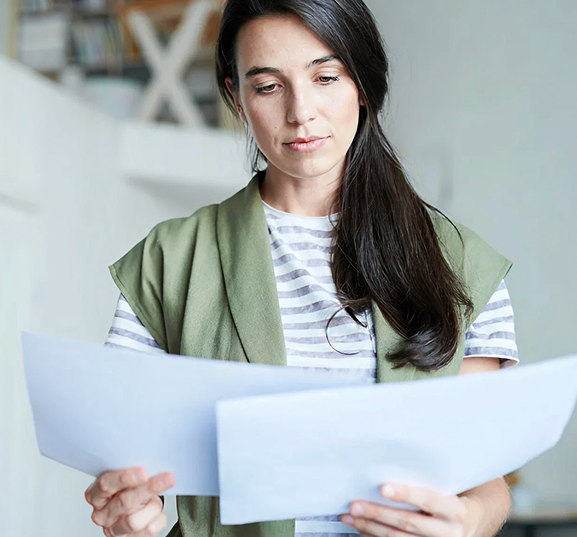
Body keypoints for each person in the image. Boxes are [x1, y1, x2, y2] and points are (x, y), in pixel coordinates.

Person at [84, 1, 519, 536]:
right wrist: (128, 514)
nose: (300, 111)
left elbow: (484, 481)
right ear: (236, 98)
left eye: (326, 76)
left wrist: (470, 523)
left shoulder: (460, 263)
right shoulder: (170, 261)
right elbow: (124, 463)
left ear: (362, 81)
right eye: (268, 86)